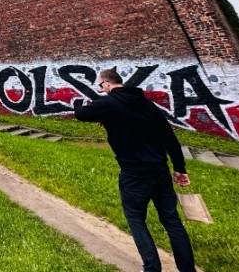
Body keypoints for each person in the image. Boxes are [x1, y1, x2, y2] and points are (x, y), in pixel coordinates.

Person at [73, 67, 196, 272]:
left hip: (134, 174)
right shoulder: (148, 105)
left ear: (106, 84)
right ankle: (187, 269)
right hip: (160, 171)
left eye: (101, 86)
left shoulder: (109, 103)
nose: (101, 89)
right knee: (172, 221)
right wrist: (180, 168)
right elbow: (170, 138)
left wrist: (81, 104)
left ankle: (152, 268)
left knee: (136, 219)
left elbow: (81, 114)